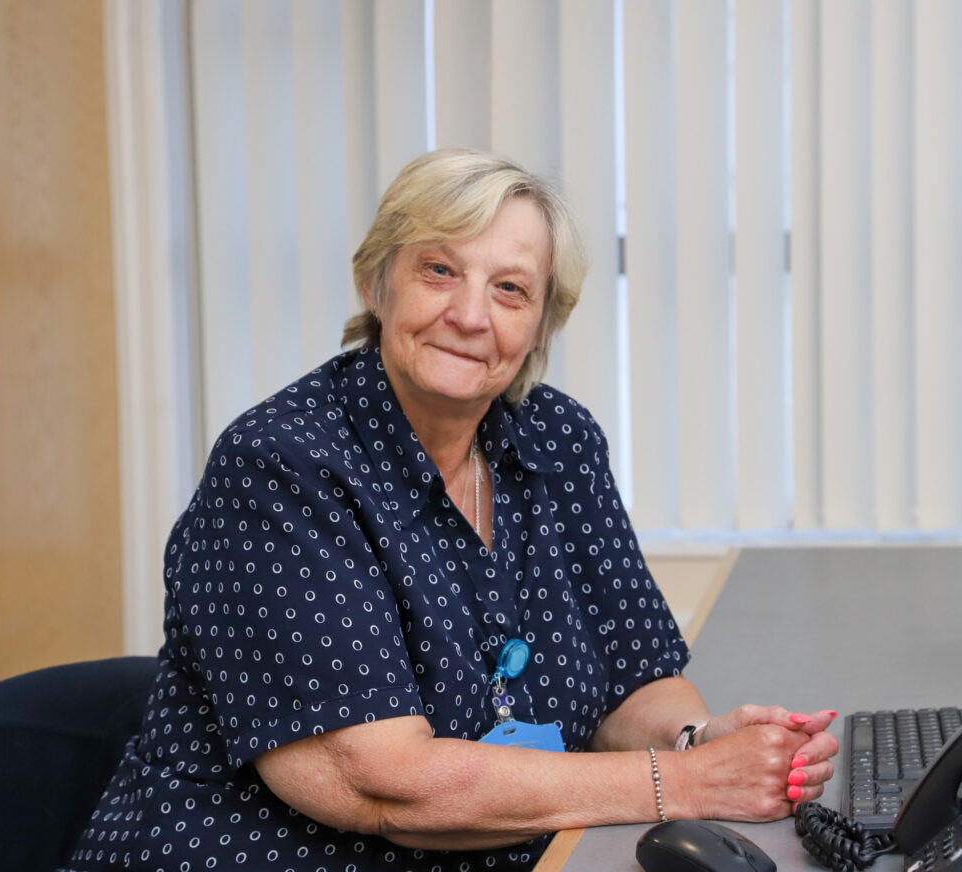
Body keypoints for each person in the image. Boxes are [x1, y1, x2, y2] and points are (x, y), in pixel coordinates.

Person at [65, 148, 837, 872]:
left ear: (541, 323)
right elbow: (384, 784)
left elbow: (631, 679)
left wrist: (697, 740)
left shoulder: (556, 437)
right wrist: (684, 782)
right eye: (440, 270)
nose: (471, 315)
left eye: (510, 289)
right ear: (377, 284)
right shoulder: (283, 468)